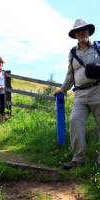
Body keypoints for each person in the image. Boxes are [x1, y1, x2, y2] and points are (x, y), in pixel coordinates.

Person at [54, 19, 100, 170]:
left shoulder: (98, 47)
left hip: (97, 90)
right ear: (75, 34)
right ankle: (78, 159)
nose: (81, 32)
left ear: (88, 31)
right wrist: (62, 89)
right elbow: (70, 75)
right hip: (79, 94)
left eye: (84, 29)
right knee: (75, 121)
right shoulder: (72, 53)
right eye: (78, 31)